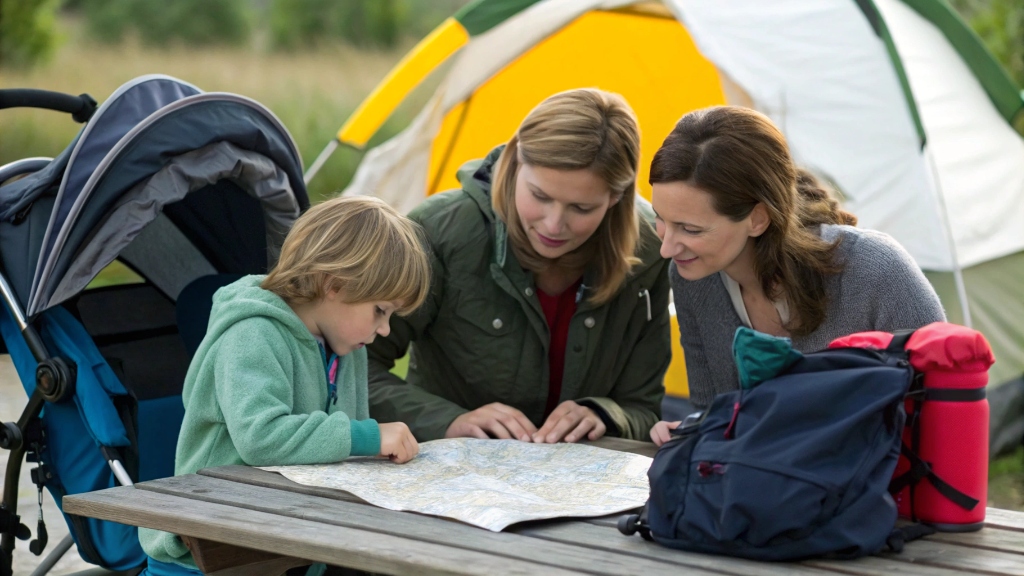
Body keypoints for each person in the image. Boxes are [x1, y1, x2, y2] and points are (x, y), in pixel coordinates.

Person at [138, 196, 430, 575]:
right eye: (380, 310)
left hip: (283, 544)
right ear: (335, 285)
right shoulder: (252, 332)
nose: (385, 329)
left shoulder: (346, 346)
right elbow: (261, 436)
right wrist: (368, 438)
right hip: (207, 552)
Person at [367, 88, 671, 444]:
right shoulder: (439, 231)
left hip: (578, 486)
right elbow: (351, 370)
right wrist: (449, 421)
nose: (554, 224)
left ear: (616, 198)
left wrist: (605, 413)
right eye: (540, 196)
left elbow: (644, 409)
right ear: (513, 164)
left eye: (581, 208)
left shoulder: (652, 247)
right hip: (447, 472)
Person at [647, 106, 946, 446]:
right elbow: (714, 411)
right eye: (661, 219)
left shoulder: (875, 271)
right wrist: (694, 429)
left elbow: (945, 408)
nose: (667, 248)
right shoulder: (692, 280)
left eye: (690, 228)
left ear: (758, 219)